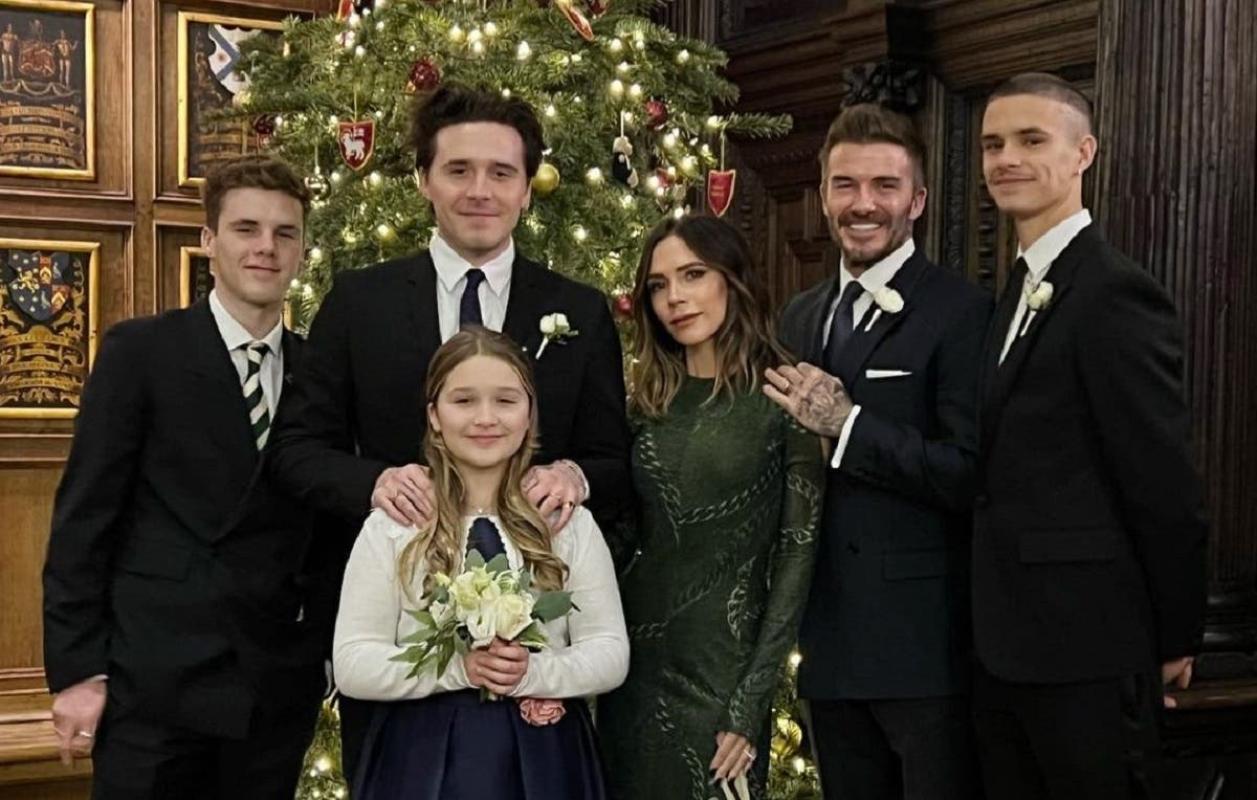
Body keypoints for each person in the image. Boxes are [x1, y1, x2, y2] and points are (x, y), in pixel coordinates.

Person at [265, 83, 633, 775]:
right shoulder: (360, 301)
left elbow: (614, 461)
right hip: (399, 645)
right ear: (423, 180)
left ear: (527, 189)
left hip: (533, 680)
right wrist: (376, 482)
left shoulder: (578, 310)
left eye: (502, 172)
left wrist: (574, 475)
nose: (480, 190)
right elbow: (295, 450)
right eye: (458, 170)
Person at [42, 154, 327, 799]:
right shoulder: (141, 352)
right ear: (209, 241)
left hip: (272, 686)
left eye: (284, 233)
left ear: (301, 251)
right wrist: (79, 672)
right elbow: (84, 520)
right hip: (153, 681)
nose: (266, 247)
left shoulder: (319, 372)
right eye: (246, 229)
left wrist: (318, 652)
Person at [971, 72, 1207, 799]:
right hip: (1005, 641)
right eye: (992, 144)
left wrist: (1175, 634)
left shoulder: (1113, 292)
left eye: (1030, 140)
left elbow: (1161, 479)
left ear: (1083, 154)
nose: (1006, 158)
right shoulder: (1012, 289)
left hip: (1090, 642)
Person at [765, 103, 991, 800]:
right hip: (827, 643)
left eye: (884, 186)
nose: (862, 204)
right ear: (823, 196)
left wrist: (849, 425)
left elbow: (969, 473)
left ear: (916, 201)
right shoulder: (801, 314)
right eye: (845, 185)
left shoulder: (961, 311)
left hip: (924, 649)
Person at [333, 326, 628, 799]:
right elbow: (353, 663)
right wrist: (461, 669)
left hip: (546, 760)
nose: (485, 418)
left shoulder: (566, 524)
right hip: (420, 761)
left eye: (506, 401)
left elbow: (609, 652)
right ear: (434, 415)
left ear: (530, 413)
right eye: (464, 401)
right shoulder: (395, 526)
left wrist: (531, 673)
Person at [598, 214, 824, 799]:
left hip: (723, 676)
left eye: (693, 275)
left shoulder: (783, 399)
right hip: (630, 670)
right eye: (658, 285)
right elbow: (625, 536)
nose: (674, 297)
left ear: (733, 278)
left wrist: (751, 702)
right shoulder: (647, 402)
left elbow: (797, 557)